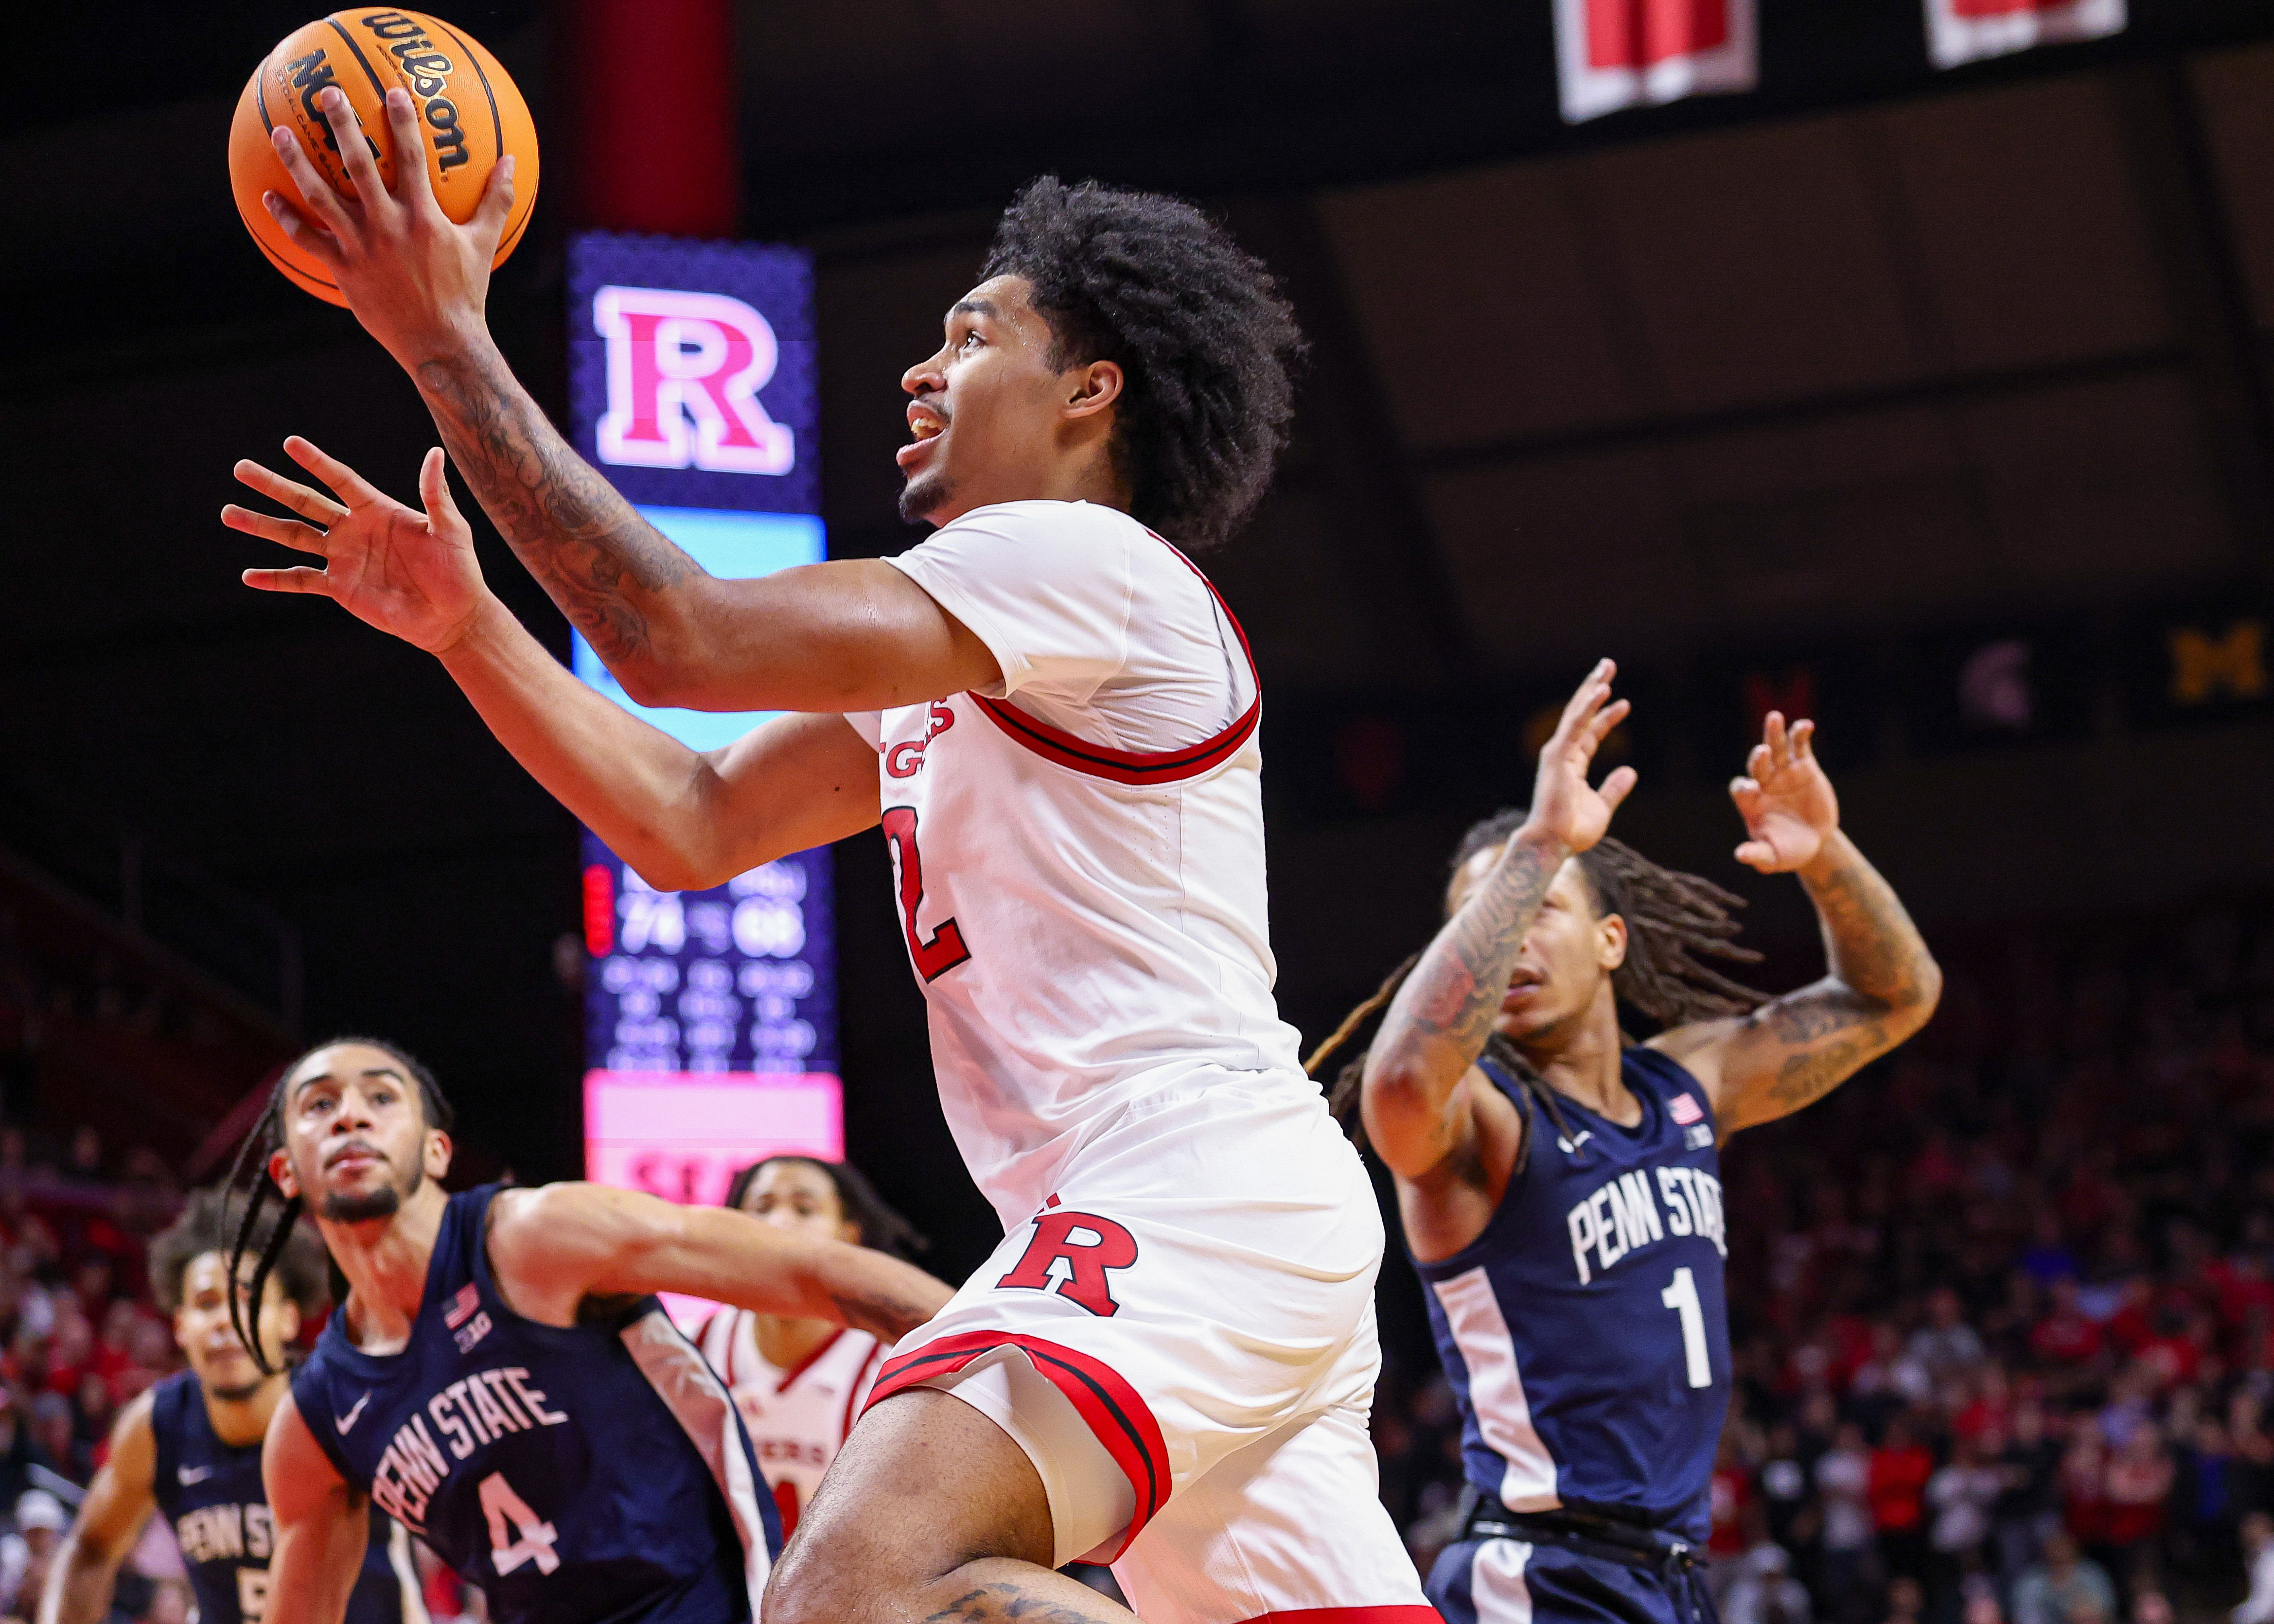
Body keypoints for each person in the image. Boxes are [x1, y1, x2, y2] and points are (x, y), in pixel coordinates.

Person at [226, 72, 1424, 1624]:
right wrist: (467, 631)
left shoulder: (1086, 563)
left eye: (976, 333)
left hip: (1184, 1189)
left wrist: (442, 337)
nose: (925, 369)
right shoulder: (981, 650)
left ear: (1092, 395)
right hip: (1195, 1207)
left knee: (848, 1591)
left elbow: (677, 634)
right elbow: (689, 822)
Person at [1313, 666, 1942, 1624]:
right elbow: (1398, 1083)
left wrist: (1826, 856)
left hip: (1670, 1573)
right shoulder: (1482, 1124)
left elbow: (1893, 995)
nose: (1513, 936)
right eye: (1491, 918)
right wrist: (1536, 849)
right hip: (1541, 1571)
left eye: (1541, 909)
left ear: (1610, 941)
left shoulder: (1687, 1083)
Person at [242, 1037, 951, 1624]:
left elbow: (816, 1273)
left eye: (381, 1097)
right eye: (320, 1105)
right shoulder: (314, 1423)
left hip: (711, 1605)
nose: (350, 1118)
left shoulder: (533, 1239)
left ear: (436, 1151)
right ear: (285, 1173)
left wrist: (1023, 1347)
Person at [39, 1186, 421, 1624]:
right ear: (180, 1326)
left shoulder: (347, 1411)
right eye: (206, 1303)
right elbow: (90, 1549)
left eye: (247, 1297)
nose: (226, 1320)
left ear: (289, 1318)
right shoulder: (156, 1427)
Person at [695, 1157, 924, 1538]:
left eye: (804, 1208)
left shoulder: (894, 1359)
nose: (780, 1221)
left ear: (849, 1235)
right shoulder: (688, 1347)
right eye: (762, 1207)